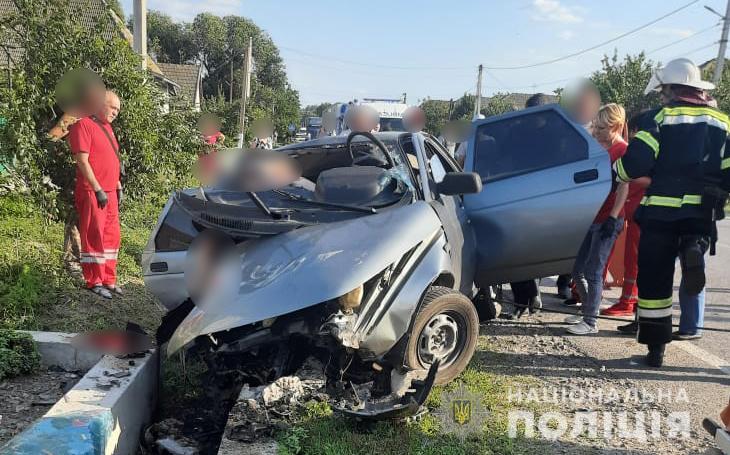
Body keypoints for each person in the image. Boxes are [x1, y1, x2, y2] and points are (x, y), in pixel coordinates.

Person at [615, 58, 730, 367]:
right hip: (701, 211)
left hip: (660, 213)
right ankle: (695, 245)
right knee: (695, 236)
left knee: (654, 279)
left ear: (669, 89)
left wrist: (618, 170)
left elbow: (635, 163)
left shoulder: (659, 118)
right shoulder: (722, 122)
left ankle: (655, 350)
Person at [564, 103, 629, 335]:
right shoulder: (602, 146)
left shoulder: (622, 151)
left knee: (594, 271)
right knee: (577, 270)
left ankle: (591, 322)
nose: (598, 130)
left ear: (617, 126)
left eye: (603, 127)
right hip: (591, 216)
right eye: (596, 126)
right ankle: (586, 313)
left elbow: (623, 187)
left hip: (607, 220)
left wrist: (613, 218)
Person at [68, 90, 123, 299]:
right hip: (94, 191)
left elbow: (111, 159)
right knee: (94, 236)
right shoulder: (84, 125)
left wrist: (117, 185)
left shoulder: (107, 128)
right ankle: (94, 281)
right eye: (113, 108)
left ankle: (109, 279)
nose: (116, 112)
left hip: (110, 191)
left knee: (111, 236)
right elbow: (82, 161)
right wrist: (98, 188)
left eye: (118, 109)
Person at [601, 112, 653, 318]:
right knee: (631, 261)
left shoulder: (639, 152)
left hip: (642, 215)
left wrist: (627, 178)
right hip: (636, 215)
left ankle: (629, 300)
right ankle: (629, 300)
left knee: (635, 262)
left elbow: (646, 180)